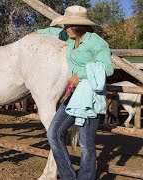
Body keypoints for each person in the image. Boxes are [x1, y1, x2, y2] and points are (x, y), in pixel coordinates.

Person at [37, 5, 114, 180]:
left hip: (90, 97)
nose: (64, 29)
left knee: (86, 144)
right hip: (74, 96)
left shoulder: (97, 42)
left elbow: (108, 69)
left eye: (67, 25)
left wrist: (80, 76)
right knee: (53, 133)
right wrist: (36, 33)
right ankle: (68, 177)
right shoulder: (71, 38)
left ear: (77, 26)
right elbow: (52, 31)